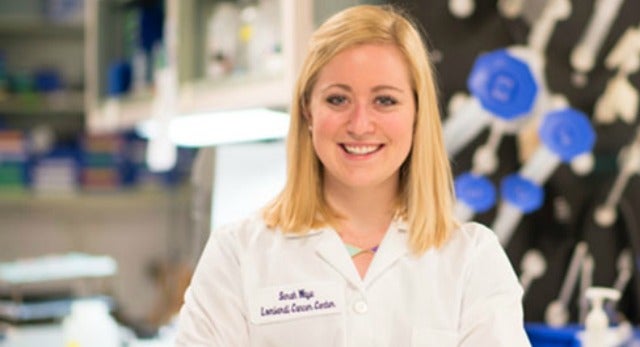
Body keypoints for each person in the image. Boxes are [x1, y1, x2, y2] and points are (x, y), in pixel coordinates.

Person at [175, 4, 531, 346]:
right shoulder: (238, 255)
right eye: (338, 100)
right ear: (308, 112)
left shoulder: (471, 261)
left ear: (418, 113)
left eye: (385, 101)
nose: (360, 125)